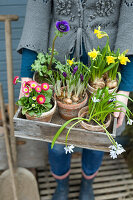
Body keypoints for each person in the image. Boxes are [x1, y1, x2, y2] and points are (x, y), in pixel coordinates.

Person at [17, 1, 133, 199]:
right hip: (59, 67)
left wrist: (125, 88)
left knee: (97, 137)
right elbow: (37, 12)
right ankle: (61, 185)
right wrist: (27, 74)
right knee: (57, 141)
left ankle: (88, 183)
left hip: (105, 73)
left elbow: (130, 23)